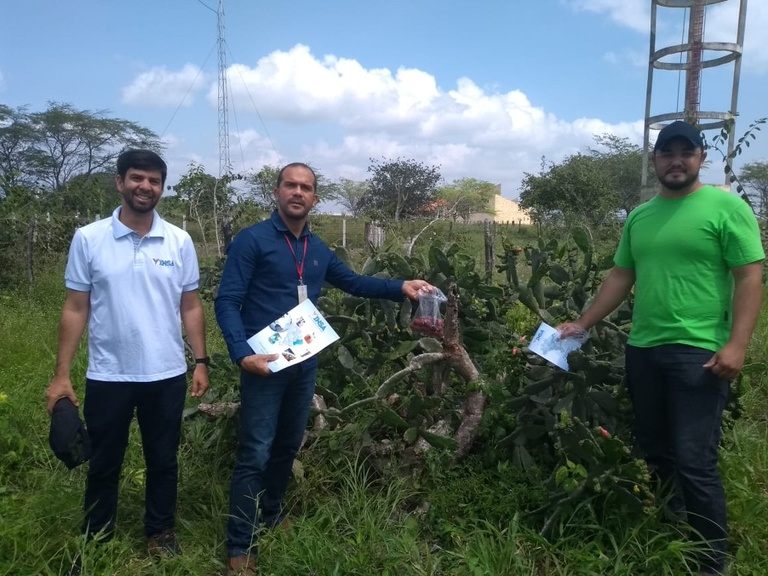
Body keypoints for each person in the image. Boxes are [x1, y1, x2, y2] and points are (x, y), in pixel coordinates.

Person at [558, 121, 764, 576]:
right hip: (643, 349)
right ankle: (672, 532)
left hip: (699, 351)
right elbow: (622, 275)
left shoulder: (726, 207)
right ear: (655, 160)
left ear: (701, 158)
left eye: (685, 152)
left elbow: (750, 276)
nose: (676, 161)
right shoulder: (640, 216)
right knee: (656, 450)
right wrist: (583, 322)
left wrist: (737, 345)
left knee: (695, 460)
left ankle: (709, 562)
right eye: (667, 153)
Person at [215, 162, 434, 575]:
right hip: (263, 366)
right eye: (290, 185)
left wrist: (400, 287)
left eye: (306, 187)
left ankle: (272, 514)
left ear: (315, 198)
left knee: (286, 445)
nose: (298, 192)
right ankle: (240, 546)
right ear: (277, 192)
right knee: (255, 453)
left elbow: (354, 282)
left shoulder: (316, 249)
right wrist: (241, 354)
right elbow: (227, 300)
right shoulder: (252, 240)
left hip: (303, 364)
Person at [45, 149, 210, 561]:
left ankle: (160, 532)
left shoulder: (179, 240)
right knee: (104, 461)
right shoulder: (89, 238)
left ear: (162, 188)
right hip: (109, 374)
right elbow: (75, 308)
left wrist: (201, 361)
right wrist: (61, 374)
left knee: (163, 459)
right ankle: (97, 538)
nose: (145, 187)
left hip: (166, 373)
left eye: (154, 181)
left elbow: (190, 305)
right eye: (137, 178)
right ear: (120, 182)